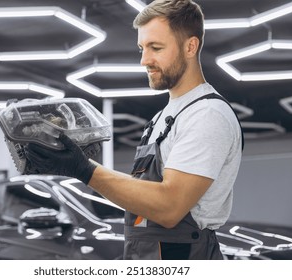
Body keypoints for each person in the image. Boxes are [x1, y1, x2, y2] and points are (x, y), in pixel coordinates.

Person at [24, 0, 243, 260]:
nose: (144, 60)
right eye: (142, 48)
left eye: (156, 48)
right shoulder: (161, 118)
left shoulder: (206, 115)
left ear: (190, 46)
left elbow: (169, 207)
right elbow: (143, 198)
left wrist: (84, 169)